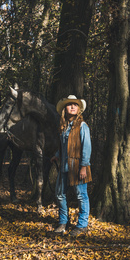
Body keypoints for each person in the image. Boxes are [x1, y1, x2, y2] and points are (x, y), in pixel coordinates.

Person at [51, 95, 92, 236]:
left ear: (79, 109)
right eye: (70, 105)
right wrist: (57, 154)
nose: (73, 107)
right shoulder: (64, 126)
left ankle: (82, 225)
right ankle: (63, 222)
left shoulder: (82, 126)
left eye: (75, 105)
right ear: (65, 109)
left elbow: (86, 147)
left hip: (78, 166)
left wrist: (84, 166)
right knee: (60, 194)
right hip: (64, 166)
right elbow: (64, 145)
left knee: (81, 196)